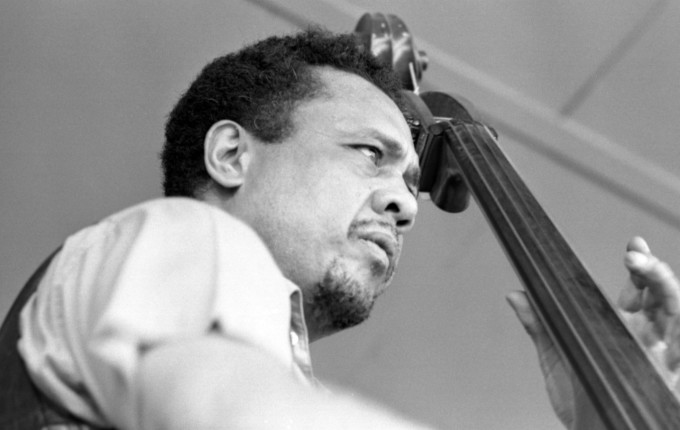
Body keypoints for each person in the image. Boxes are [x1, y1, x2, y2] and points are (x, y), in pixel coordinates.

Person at [0, 28, 678, 430]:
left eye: (409, 179)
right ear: (232, 155)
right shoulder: (187, 236)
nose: (406, 205)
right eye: (369, 153)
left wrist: (608, 411)